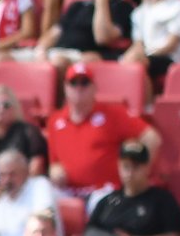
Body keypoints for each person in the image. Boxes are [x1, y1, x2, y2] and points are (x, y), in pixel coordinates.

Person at [48, 64, 156, 194]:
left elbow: (151, 138)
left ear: (94, 88)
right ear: (65, 88)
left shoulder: (113, 114)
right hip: (67, 191)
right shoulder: (55, 121)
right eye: (74, 83)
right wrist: (54, 171)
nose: (79, 88)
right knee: (42, 190)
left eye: (84, 82)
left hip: (104, 191)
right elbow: (54, 162)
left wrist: (140, 172)